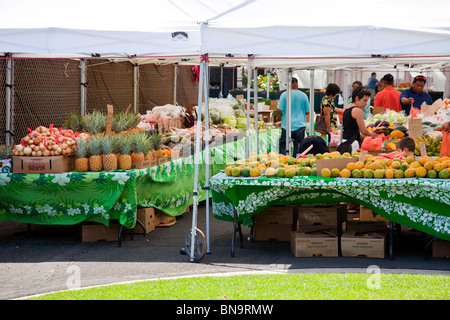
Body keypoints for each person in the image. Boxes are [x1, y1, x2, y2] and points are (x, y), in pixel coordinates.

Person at [336, 87, 378, 154]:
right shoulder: (357, 110)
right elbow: (363, 131)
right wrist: (373, 135)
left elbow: (354, 131)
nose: (366, 104)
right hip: (352, 144)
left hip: (344, 142)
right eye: (364, 100)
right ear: (357, 98)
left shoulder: (347, 109)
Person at [277, 77, 310, 156]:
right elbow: (307, 112)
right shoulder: (303, 95)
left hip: (286, 125)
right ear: (297, 84)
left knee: (283, 145)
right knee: (298, 146)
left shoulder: (284, 94)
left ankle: (283, 160)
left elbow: (279, 110)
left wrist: (278, 117)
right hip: (300, 126)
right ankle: (296, 162)